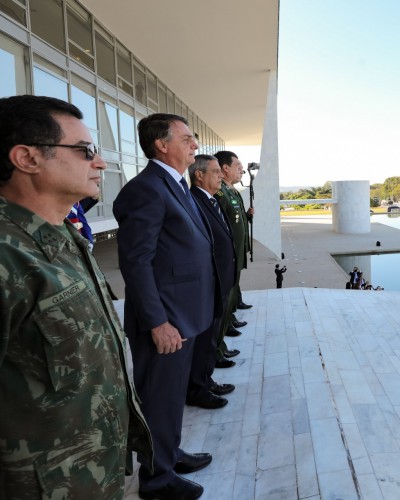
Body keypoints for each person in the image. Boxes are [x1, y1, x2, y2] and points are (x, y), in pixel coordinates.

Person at [0, 95, 152, 498]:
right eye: (85, 151)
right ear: (27, 159)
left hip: (92, 474)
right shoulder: (6, 257)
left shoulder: (63, 236)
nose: (100, 163)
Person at [114, 113, 221, 499]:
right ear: (162, 144)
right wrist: (158, 322)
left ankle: (169, 453)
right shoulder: (146, 189)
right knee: (158, 397)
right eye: (188, 138)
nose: (195, 144)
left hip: (185, 314)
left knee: (171, 396)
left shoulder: (173, 184)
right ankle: (157, 479)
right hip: (165, 320)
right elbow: (136, 263)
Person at [185, 155, 237, 409]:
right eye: (215, 172)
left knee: (212, 336)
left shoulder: (212, 200)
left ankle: (205, 380)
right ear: (199, 175)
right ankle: (197, 389)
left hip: (220, 280)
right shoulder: (194, 201)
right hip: (209, 283)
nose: (220, 176)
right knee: (204, 340)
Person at [215, 151, 255, 365]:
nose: (241, 169)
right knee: (226, 294)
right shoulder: (220, 193)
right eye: (237, 165)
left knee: (232, 292)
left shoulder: (231, 190)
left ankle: (229, 321)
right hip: (228, 254)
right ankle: (219, 342)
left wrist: (248, 217)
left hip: (236, 252)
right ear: (225, 168)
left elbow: (236, 219)